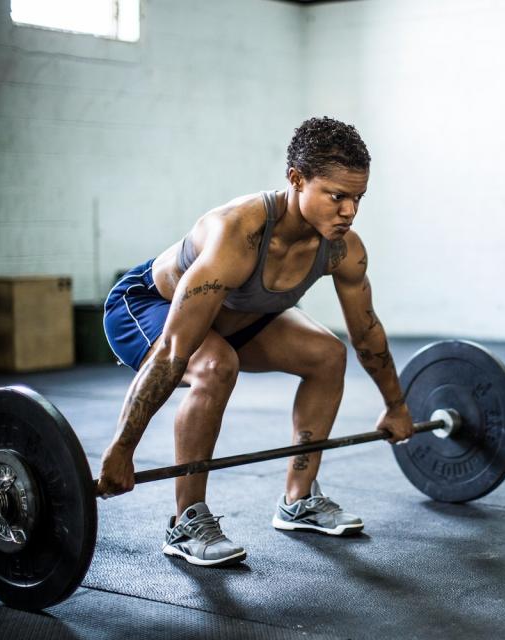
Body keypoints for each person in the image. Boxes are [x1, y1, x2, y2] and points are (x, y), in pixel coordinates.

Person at [98, 116, 414, 567]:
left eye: (357, 198)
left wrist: (396, 405)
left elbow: (366, 332)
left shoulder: (342, 248)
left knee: (328, 355)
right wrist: (122, 448)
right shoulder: (237, 234)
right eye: (337, 196)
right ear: (296, 179)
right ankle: (187, 521)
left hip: (234, 318)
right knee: (215, 366)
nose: (349, 212)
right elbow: (174, 350)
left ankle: (298, 499)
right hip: (147, 307)